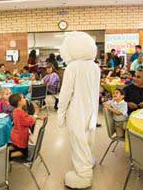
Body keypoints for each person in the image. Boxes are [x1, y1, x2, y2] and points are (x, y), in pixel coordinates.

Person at [58, 32, 100, 189]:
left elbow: (65, 94)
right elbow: (97, 91)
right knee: (88, 139)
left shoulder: (72, 67)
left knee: (78, 141)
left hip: (76, 111)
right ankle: (88, 161)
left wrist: (61, 115)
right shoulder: (95, 67)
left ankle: (83, 176)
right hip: (91, 109)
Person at [8, 93, 45, 160]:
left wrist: (38, 117)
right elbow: (30, 121)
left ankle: (7, 150)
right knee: (24, 153)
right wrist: (36, 112)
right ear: (19, 102)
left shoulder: (16, 110)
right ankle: (7, 156)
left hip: (16, 135)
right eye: (23, 98)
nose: (25, 99)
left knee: (16, 146)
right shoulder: (20, 113)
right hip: (20, 137)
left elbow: (26, 117)